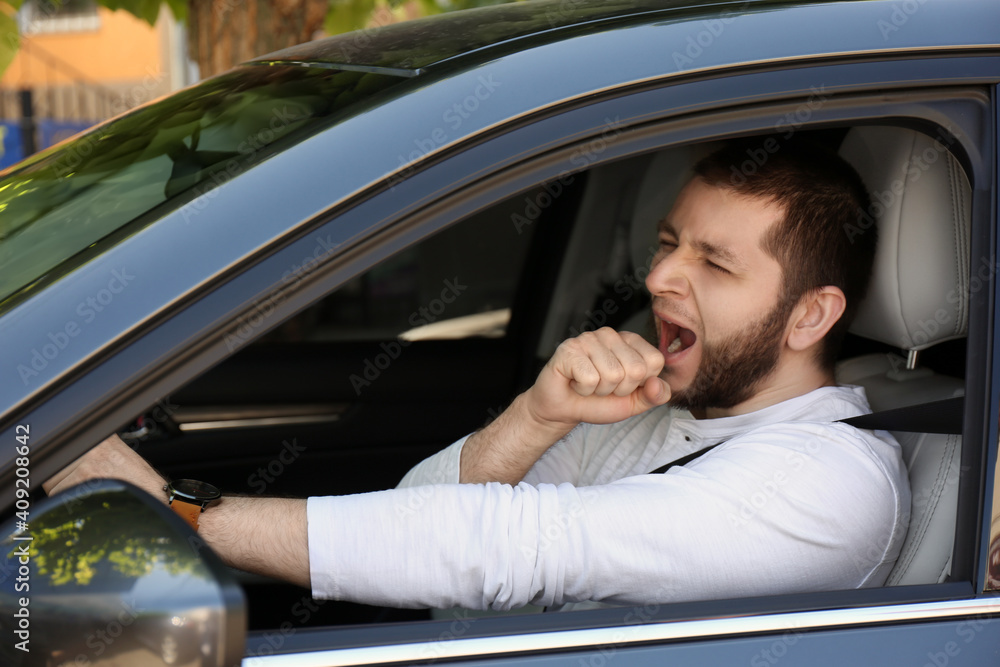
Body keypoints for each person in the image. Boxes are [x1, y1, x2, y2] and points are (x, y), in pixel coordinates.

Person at [44, 139, 910, 612]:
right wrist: (536, 414)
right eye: (666, 241)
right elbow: (424, 508)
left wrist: (173, 507)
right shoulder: (666, 406)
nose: (660, 280)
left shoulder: (823, 481)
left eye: (714, 263)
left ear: (810, 315)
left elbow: (496, 550)